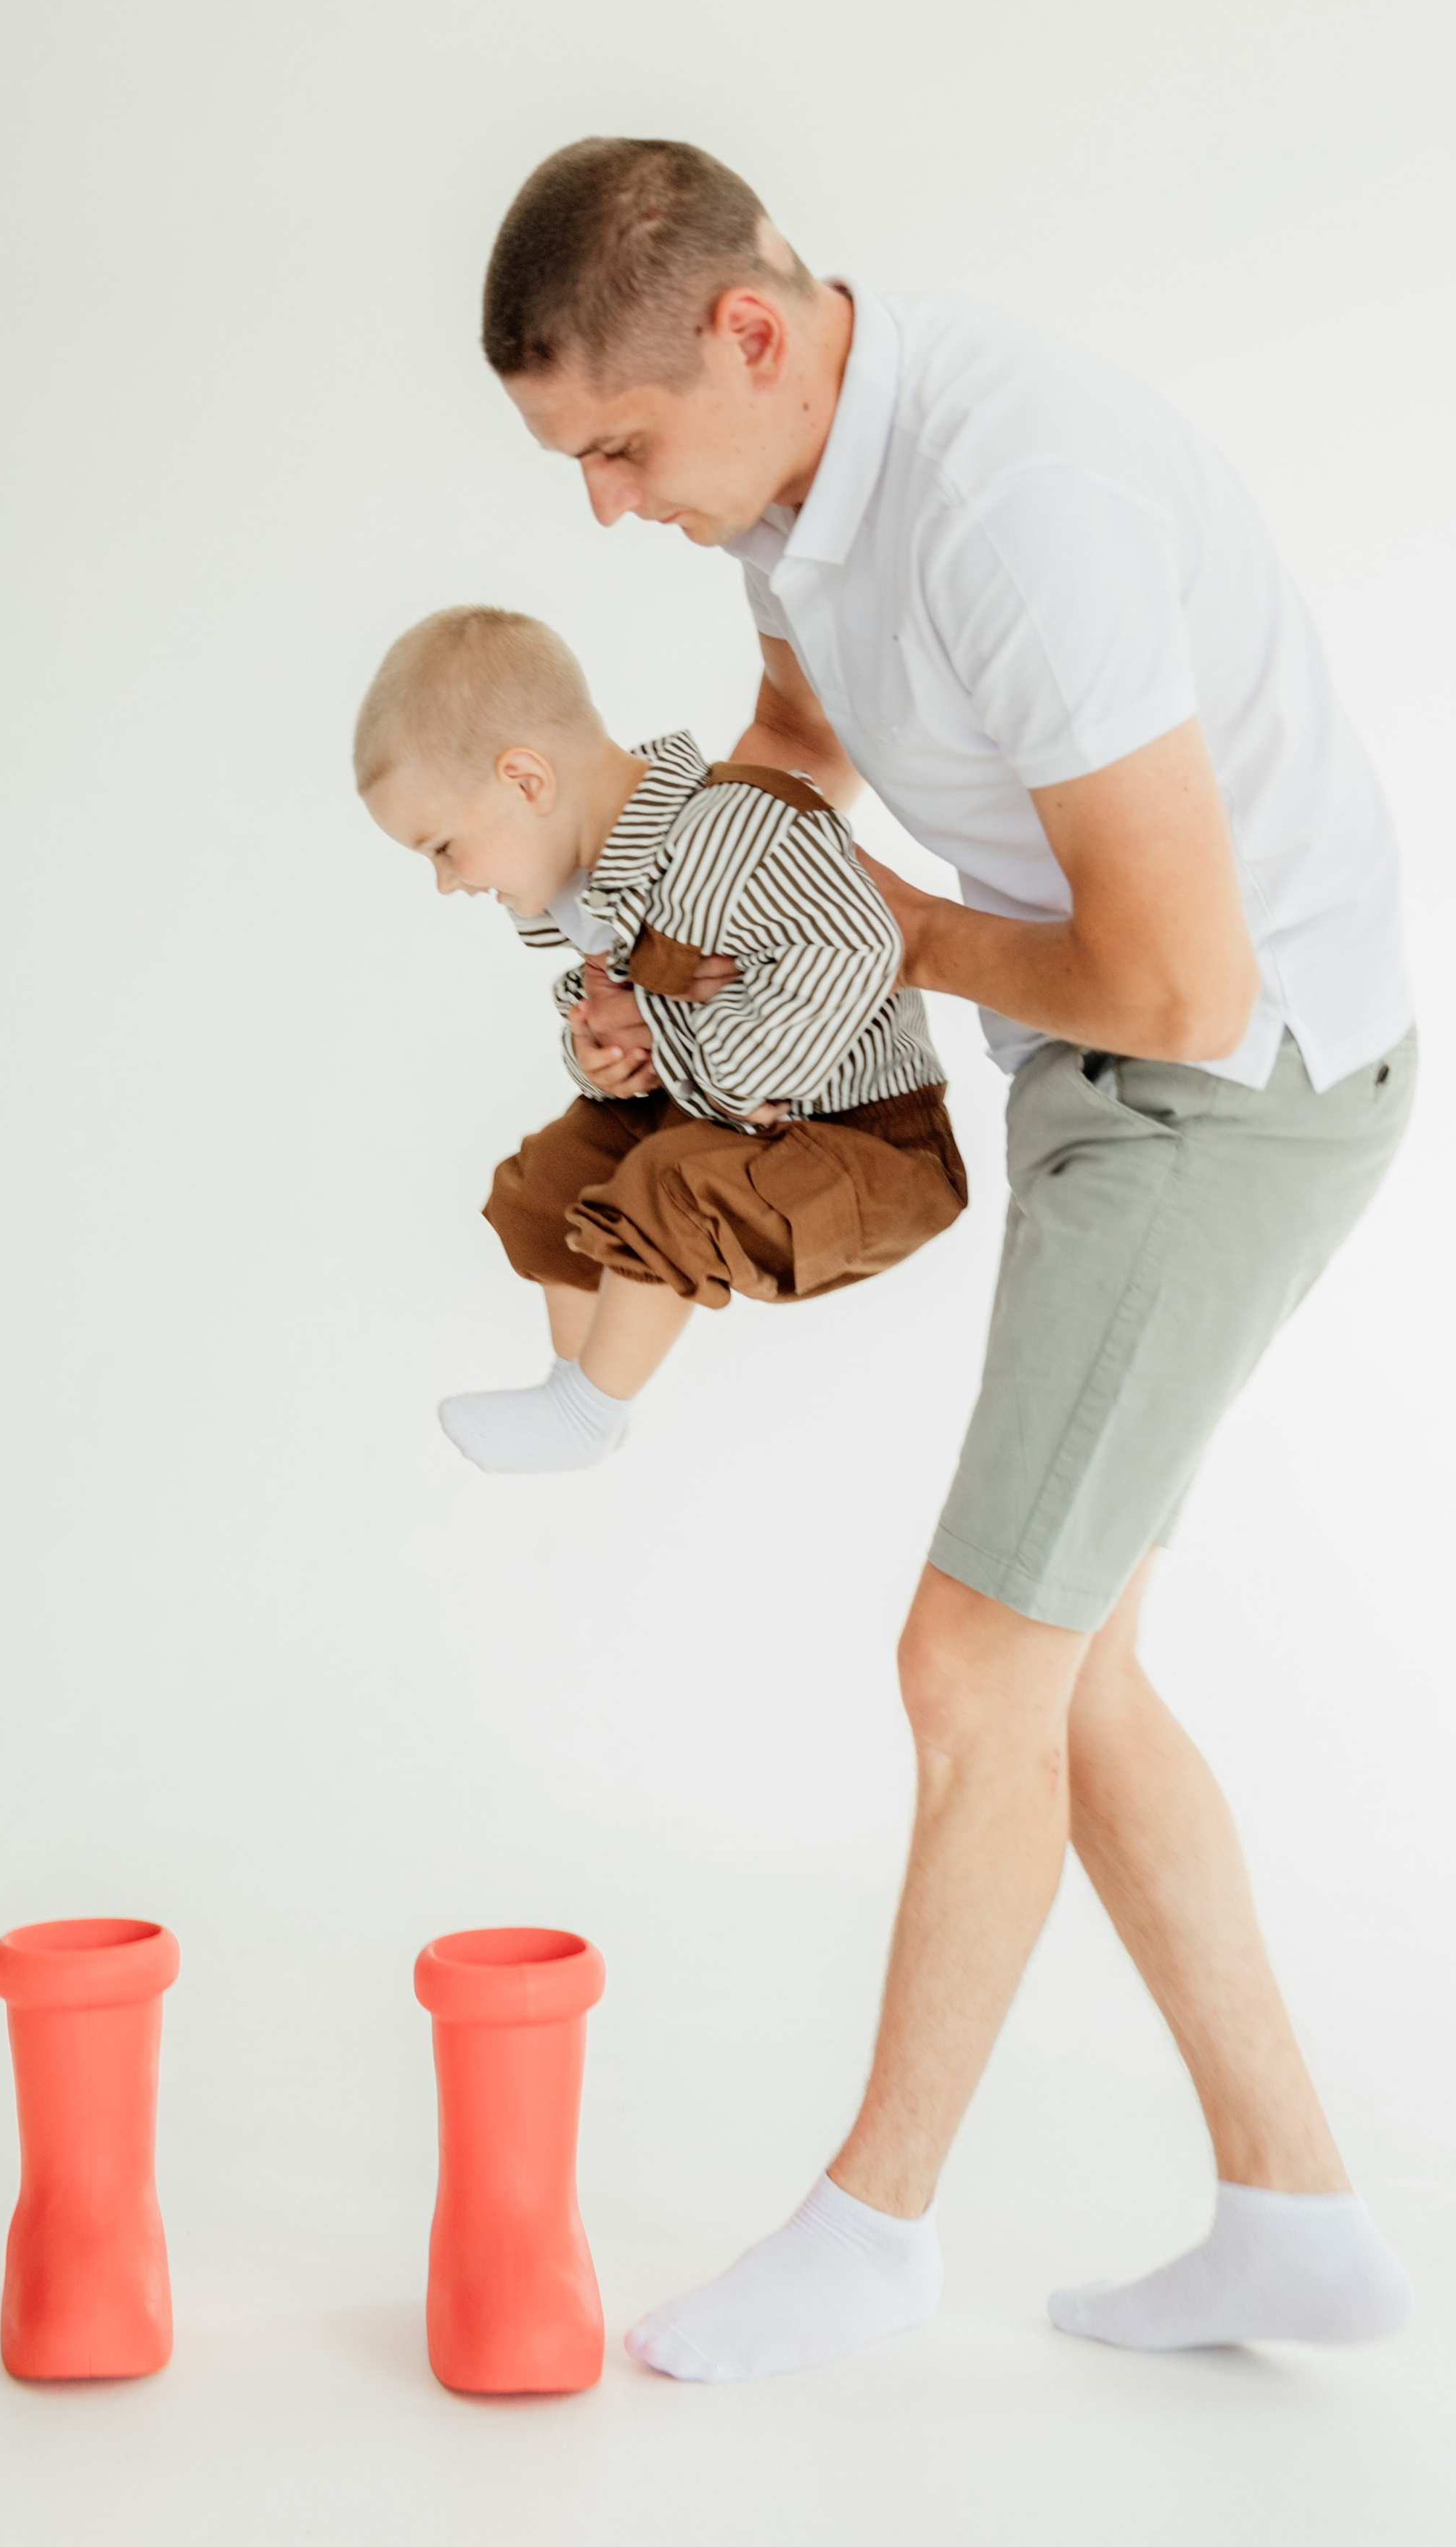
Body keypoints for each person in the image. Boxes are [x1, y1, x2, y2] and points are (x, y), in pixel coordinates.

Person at [478, 136, 1418, 2376]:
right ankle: (1294, 2212)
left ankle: (874, 2228)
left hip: (1226, 1088)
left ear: (753, 335)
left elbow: (1181, 987)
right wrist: (680, 950)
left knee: (970, 1664)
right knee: (1069, 1670)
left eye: (614, 446)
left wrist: (888, 935)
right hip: (1108, 1073)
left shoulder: (1020, 509)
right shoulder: (791, 489)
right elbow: (799, 749)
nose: (603, 505)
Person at [355, 604, 968, 1472]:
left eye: (445, 848)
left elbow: (862, 942)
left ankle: (584, 1411)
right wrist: (606, 1059)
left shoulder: (735, 832)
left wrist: (705, 1058)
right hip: (731, 1118)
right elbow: (615, 1008)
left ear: (526, 781)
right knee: (550, 1182)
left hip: (865, 1144)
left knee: (666, 1187)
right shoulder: (588, 882)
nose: (447, 883)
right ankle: (575, 1388)